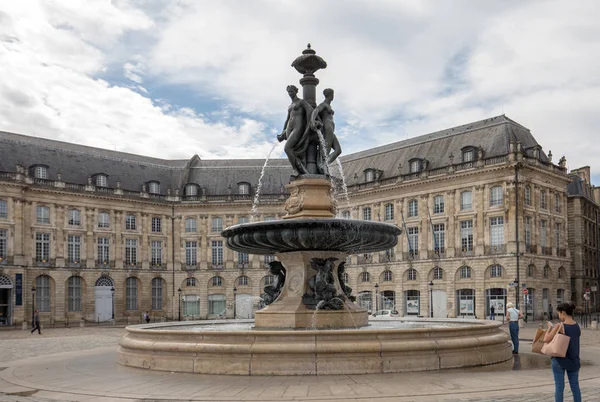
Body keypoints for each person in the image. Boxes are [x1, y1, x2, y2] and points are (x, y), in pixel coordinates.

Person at [544, 303, 581, 402]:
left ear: (563, 313)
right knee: (575, 387)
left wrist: (550, 328)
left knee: (559, 387)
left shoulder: (560, 326)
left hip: (560, 359)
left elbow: (546, 339)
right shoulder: (577, 326)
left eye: (559, 314)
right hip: (574, 359)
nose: (559, 316)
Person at [277, 85, 314, 176]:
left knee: (287, 148)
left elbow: (310, 110)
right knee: (292, 150)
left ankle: (295, 169)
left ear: (296, 91)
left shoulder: (301, 102)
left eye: (292, 91)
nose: (290, 93)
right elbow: (287, 119)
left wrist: (311, 123)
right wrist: (283, 131)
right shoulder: (290, 106)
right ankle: (300, 168)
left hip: (298, 127)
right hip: (289, 128)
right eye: (289, 92)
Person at [311, 88, 342, 168]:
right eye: (333, 94)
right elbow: (315, 111)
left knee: (338, 150)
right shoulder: (324, 104)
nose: (333, 96)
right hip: (327, 127)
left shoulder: (328, 105)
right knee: (326, 149)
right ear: (331, 95)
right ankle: (321, 166)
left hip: (331, 128)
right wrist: (312, 121)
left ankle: (324, 165)